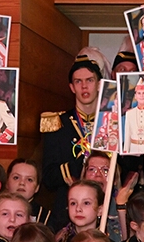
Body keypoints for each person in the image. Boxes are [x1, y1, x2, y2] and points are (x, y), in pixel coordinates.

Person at [41, 52, 105, 229]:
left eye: (89, 80)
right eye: (78, 81)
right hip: (69, 211)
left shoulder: (112, 122)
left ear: (99, 84)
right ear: (71, 87)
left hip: (108, 207)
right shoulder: (57, 123)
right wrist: (79, 165)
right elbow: (49, 177)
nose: (84, 86)